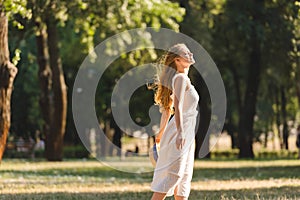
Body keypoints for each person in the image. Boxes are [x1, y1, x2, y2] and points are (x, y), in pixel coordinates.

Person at [149, 43, 199, 200]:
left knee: (183, 179)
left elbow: (167, 108)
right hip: (181, 131)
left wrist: (161, 134)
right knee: (174, 176)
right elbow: (176, 105)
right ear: (177, 60)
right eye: (186, 53)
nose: (191, 54)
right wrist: (180, 133)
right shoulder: (180, 78)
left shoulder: (183, 78)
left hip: (187, 132)